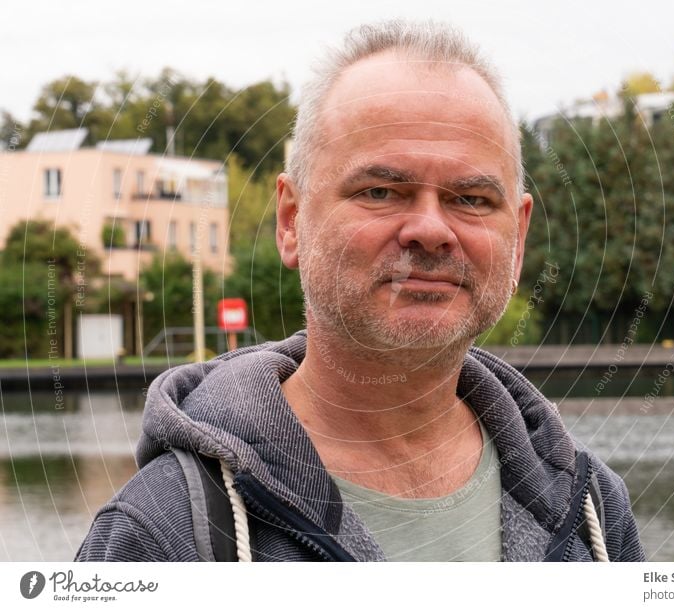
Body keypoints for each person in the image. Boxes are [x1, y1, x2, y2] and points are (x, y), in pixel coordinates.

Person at [76, 20, 645, 562]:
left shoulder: (594, 516)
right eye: (380, 191)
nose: (431, 229)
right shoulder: (164, 532)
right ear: (291, 220)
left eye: (471, 199)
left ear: (517, 235)